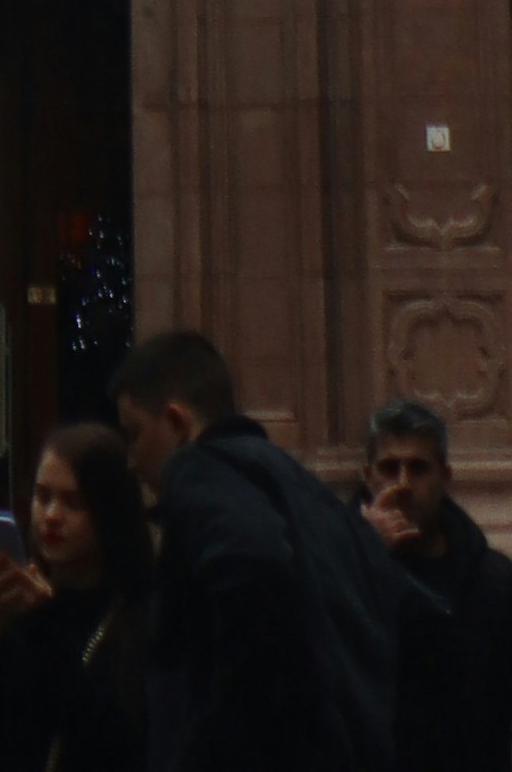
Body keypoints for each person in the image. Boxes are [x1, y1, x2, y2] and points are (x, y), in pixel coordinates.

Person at [115, 322, 403, 772]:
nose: (131, 461)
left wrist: (214, 738)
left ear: (176, 422)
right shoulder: (302, 488)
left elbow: (254, 563)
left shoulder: (193, 468)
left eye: (134, 434)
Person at [362, 396, 512, 772]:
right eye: (389, 468)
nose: (403, 484)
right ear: (368, 477)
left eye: (418, 469)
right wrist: (364, 554)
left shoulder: (494, 582)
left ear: (444, 477)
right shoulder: (339, 571)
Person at [0, 422, 153, 772]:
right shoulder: (9, 607)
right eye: (43, 496)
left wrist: (43, 629)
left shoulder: (138, 614)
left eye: (73, 502)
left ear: (109, 511)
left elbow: (113, 742)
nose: (51, 516)